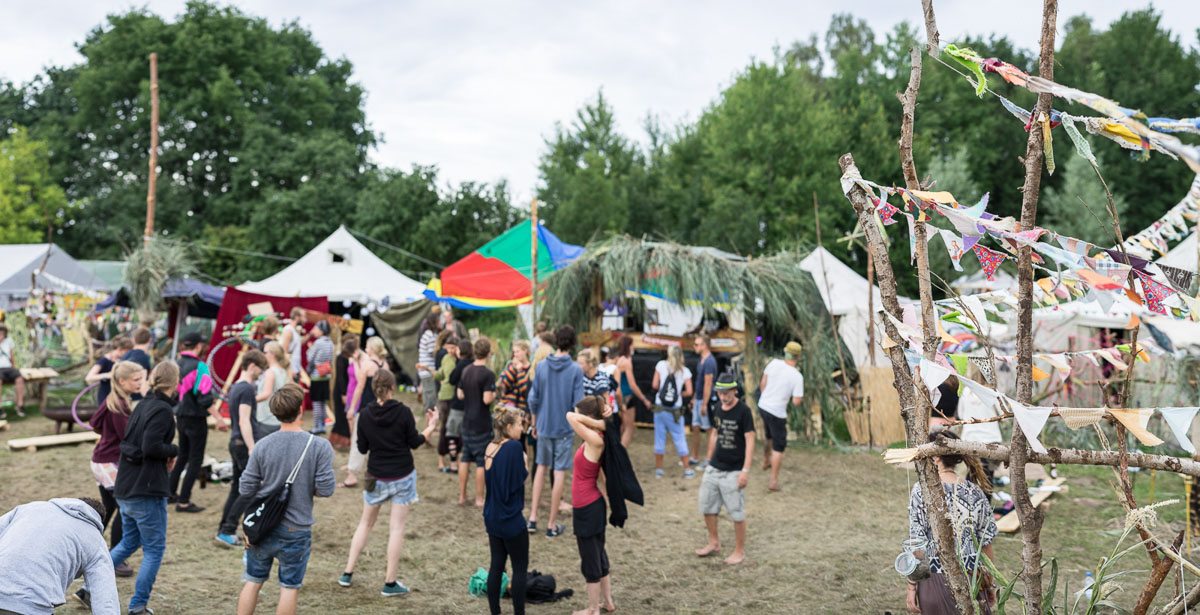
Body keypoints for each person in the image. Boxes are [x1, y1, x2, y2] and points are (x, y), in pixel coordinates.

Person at [84, 360, 181, 614]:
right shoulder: (160, 409)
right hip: (144, 489)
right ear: (175, 382)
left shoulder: (142, 404)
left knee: (129, 541)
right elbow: (151, 447)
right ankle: (138, 606)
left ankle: (87, 589)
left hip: (127, 486)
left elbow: (131, 442)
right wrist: (174, 450)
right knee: (154, 549)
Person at [236, 383, 336, 615]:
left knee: (253, 580)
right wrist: (307, 487)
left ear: (274, 412)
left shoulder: (262, 446)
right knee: (289, 588)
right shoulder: (319, 446)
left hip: (262, 527)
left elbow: (245, 488)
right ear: (300, 409)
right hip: (296, 528)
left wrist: (268, 486)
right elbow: (326, 489)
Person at [338, 369, 437, 595]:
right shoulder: (403, 412)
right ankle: (389, 583)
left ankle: (347, 573)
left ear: (374, 389)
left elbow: (362, 448)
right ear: (392, 387)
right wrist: (431, 426)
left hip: (375, 476)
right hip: (402, 476)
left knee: (365, 524)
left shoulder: (365, 414)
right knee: (396, 529)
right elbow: (415, 442)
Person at [907, 430, 998, 614]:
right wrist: (989, 583)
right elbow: (986, 544)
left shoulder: (920, 490)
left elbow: (917, 544)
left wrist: (911, 587)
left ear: (936, 457)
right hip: (972, 579)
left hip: (933, 581)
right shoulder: (974, 492)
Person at [1, 498, 121, 615]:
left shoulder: (29, 508)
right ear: (98, 521)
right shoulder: (96, 540)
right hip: (32, 604)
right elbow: (106, 599)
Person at [88, 360, 146, 577]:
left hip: (100, 460)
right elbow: (128, 437)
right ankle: (115, 557)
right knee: (124, 508)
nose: (140, 383)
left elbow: (95, 423)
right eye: (136, 379)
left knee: (109, 508)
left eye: (141, 379)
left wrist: (107, 436)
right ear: (122, 381)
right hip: (110, 463)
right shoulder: (120, 406)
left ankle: (89, 548)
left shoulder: (112, 399)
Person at [526, 325, 584, 537]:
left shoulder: (541, 366)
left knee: (540, 468)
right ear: (573, 344)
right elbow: (578, 404)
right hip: (564, 428)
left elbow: (533, 399)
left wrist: (534, 424)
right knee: (559, 472)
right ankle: (551, 525)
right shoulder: (576, 369)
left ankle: (533, 518)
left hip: (543, 426)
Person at [696, 374, 755, 565]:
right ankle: (714, 542)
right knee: (707, 506)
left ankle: (739, 551)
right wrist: (708, 460)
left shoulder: (744, 411)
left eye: (726, 393)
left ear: (735, 391)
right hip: (714, 467)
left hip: (734, 470)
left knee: (736, 513)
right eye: (720, 393)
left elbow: (750, 439)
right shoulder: (716, 408)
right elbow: (714, 434)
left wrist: (745, 470)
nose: (722, 396)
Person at [566, 396, 616, 615]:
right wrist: (602, 420)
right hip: (592, 505)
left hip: (587, 507)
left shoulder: (596, 439)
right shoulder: (596, 437)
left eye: (582, 416)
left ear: (587, 417)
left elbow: (570, 416)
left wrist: (598, 421)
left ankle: (593, 608)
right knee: (599, 554)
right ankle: (607, 602)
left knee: (590, 559)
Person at [169, 332, 228, 513]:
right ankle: (184, 501)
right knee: (195, 459)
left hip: (180, 416)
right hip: (196, 418)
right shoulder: (200, 367)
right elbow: (204, 398)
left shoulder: (175, 365)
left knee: (182, 455)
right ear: (199, 346)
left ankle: (169, 494)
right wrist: (219, 418)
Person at [216, 349, 268, 548]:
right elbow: (244, 420)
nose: (261, 373)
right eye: (261, 369)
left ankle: (224, 529)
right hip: (243, 444)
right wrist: (252, 447)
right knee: (251, 489)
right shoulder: (246, 389)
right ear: (252, 366)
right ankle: (228, 530)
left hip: (236, 442)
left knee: (237, 489)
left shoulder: (236, 387)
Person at [483, 408, 530, 615]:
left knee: (496, 566)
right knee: (519, 569)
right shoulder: (513, 447)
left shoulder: (490, 447)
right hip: (510, 519)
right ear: (509, 427)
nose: (522, 428)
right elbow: (517, 480)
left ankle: (495, 612)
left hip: (492, 517)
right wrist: (525, 465)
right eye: (520, 424)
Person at [757, 341, 805, 492]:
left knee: (768, 435)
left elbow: (763, 384)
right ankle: (773, 482)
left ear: (786, 352)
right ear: (798, 356)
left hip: (763, 405)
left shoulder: (773, 364)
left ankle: (765, 461)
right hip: (777, 412)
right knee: (778, 446)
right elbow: (796, 401)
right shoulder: (797, 376)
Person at [457, 337, 496, 507]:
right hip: (481, 422)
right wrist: (495, 394)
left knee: (465, 458)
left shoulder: (466, 370)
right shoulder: (488, 374)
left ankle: (462, 496)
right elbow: (487, 399)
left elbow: (460, 394)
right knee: (481, 461)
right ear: (488, 353)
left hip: (467, 421)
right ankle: (479, 498)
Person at [343, 337, 387, 488]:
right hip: (381, 408)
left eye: (367, 346)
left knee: (358, 440)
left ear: (372, 349)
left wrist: (352, 408)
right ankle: (379, 471)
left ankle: (352, 475)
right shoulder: (385, 365)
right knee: (378, 440)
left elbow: (359, 388)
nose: (365, 348)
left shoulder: (367, 365)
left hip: (366, 408)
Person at [651, 345, 694, 479]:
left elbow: (655, 385)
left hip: (660, 408)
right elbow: (689, 391)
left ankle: (659, 470)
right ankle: (687, 470)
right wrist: (679, 394)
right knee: (680, 437)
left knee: (659, 438)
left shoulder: (661, 365)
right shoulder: (685, 371)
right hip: (675, 411)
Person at [613, 335, 650, 448]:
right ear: (628, 346)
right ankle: (621, 455)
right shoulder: (627, 362)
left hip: (618, 396)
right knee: (629, 428)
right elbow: (632, 384)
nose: (634, 346)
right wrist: (644, 399)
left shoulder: (618, 360)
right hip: (627, 395)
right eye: (632, 344)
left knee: (621, 428)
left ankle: (617, 453)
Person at [689, 335, 718, 467]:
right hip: (699, 399)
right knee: (695, 427)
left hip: (706, 400)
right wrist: (695, 398)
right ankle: (695, 457)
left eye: (696, 344)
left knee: (708, 429)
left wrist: (704, 404)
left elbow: (708, 384)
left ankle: (709, 459)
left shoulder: (710, 362)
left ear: (704, 345)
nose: (694, 347)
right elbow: (699, 383)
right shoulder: (701, 359)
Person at [434, 336, 461, 473]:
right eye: (448, 347)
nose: (450, 350)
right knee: (445, 427)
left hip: (457, 397)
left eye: (453, 348)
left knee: (456, 428)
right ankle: (441, 458)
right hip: (445, 396)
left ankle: (455, 458)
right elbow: (441, 375)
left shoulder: (460, 359)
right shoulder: (446, 358)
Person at [330, 333, 360, 450]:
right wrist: (343, 394)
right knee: (341, 415)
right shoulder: (341, 358)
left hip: (351, 390)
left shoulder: (355, 357)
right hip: (341, 391)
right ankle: (341, 440)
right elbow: (341, 378)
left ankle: (349, 439)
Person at [256, 341, 291, 438]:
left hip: (267, 418)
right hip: (278, 418)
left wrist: (250, 400)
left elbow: (266, 394)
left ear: (273, 354)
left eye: (265, 352)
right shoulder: (283, 371)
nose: (263, 355)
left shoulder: (270, 372)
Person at [305, 321, 335, 435]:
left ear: (321, 331)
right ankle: (322, 426)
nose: (314, 331)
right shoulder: (330, 342)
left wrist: (309, 348)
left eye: (316, 329)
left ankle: (316, 426)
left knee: (316, 403)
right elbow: (330, 360)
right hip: (325, 375)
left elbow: (310, 358)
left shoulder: (318, 342)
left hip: (316, 375)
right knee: (323, 403)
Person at [85, 341, 128, 408]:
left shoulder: (121, 360)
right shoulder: (104, 360)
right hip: (106, 395)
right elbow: (89, 377)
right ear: (119, 349)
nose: (127, 353)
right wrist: (107, 375)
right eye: (126, 351)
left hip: (119, 395)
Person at [415, 311, 440, 417]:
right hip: (427, 371)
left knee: (429, 394)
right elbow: (433, 352)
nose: (441, 322)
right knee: (430, 396)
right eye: (439, 320)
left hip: (427, 371)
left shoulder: (431, 334)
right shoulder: (429, 335)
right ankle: (429, 419)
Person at [498, 340, 532, 413]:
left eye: (517, 351)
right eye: (514, 352)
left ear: (525, 351)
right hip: (507, 408)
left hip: (522, 410)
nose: (515, 355)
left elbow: (525, 391)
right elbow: (504, 385)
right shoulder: (510, 365)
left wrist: (520, 371)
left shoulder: (531, 369)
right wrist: (513, 368)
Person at [0, 323, 26, 418]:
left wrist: (13, 367)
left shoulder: (9, 341)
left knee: (19, 379)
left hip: (9, 367)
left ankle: (20, 405)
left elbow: (12, 356)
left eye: (2, 333)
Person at [280, 307, 308, 381]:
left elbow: (298, 344)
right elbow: (284, 352)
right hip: (291, 372)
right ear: (297, 317)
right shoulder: (288, 330)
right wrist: (289, 370)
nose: (305, 320)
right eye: (303, 316)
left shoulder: (294, 330)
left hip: (295, 370)